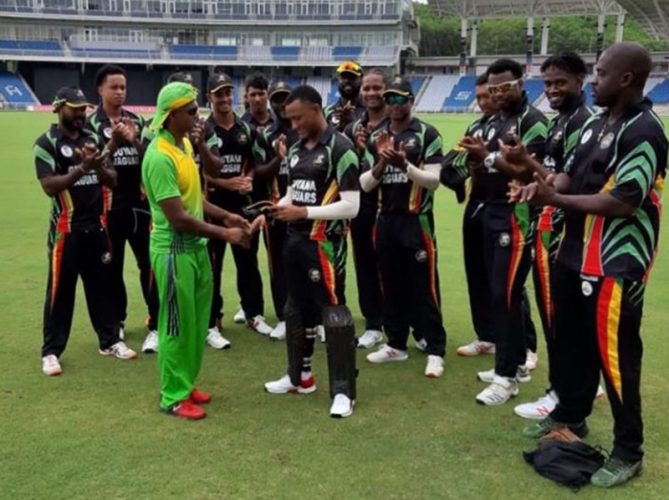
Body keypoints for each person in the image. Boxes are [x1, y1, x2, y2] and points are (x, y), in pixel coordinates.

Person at [514, 42, 667, 487]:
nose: (594, 80)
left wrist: (555, 197)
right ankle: (570, 415)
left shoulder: (645, 131)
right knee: (571, 345)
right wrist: (535, 176)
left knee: (616, 360)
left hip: (615, 264)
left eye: (600, 73)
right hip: (573, 255)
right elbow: (568, 175)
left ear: (627, 79)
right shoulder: (596, 125)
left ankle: (627, 451)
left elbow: (624, 201)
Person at [142, 81, 257, 420]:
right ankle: (172, 397)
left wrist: (227, 214)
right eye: (191, 111)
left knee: (194, 323)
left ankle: (185, 382)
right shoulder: (159, 156)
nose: (197, 116)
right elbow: (178, 218)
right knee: (176, 326)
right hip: (174, 252)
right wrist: (228, 233)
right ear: (171, 114)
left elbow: (195, 200)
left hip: (195, 249)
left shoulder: (184, 146)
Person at [502, 52, 596, 420]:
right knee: (559, 318)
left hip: (562, 234)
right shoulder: (562, 122)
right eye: (548, 83)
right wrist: (527, 166)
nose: (553, 89)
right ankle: (574, 386)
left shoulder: (582, 124)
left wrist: (533, 173)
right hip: (548, 228)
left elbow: (568, 184)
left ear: (580, 81)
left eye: (561, 82)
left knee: (559, 319)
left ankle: (562, 392)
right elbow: (552, 176)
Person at [264, 85, 361, 419]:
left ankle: (344, 392)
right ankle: (299, 377)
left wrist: (304, 214)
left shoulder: (341, 148)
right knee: (295, 310)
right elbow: (295, 192)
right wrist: (274, 209)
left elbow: (351, 207)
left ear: (317, 109)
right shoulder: (296, 148)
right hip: (293, 240)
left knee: (332, 314)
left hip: (323, 244)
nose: (294, 125)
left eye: (298, 118)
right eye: (289, 120)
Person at [458, 59, 548, 405]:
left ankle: (506, 377)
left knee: (506, 293)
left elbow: (533, 175)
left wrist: (489, 157)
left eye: (504, 87)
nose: (497, 94)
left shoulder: (533, 122)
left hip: (517, 215)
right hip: (491, 212)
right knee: (497, 292)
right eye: (492, 89)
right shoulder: (496, 120)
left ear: (521, 84)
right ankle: (511, 364)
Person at [36, 87, 136, 377]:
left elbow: (113, 178)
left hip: (97, 227)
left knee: (102, 289)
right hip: (66, 231)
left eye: (83, 109)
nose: (80, 114)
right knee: (60, 293)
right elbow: (49, 186)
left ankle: (110, 341)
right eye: (74, 108)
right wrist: (82, 169)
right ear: (58, 107)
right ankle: (51, 351)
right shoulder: (46, 143)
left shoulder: (91, 140)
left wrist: (97, 167)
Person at [442, 73, 540, 367]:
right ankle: (487, 335)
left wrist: (485, 158)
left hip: (510, 209)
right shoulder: (480, 125)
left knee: (509, 283)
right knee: (479, 275)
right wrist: (466, 171)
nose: (486, 101)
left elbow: (528, 167)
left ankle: (527, 345)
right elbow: (453, 162)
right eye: (482, 96)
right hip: (478, 207)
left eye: (490, 94)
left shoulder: (526, 121)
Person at [362, 76, 447, 378]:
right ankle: (396, 343)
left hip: (417, 221)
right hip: (385, 221)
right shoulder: (377, 136)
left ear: (412, 100)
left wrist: (405, 167)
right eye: (390, 99)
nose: (395, 105)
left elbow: (435, 181)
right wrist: (383, 165)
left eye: (401, 99)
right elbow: (365, 184)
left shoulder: (426, 133)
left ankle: (435, 349)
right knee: (391, 285)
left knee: (424, 287)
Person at [85, 64, 160, 353]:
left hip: (139, 207)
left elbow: (150, 160)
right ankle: (117, 321)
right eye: (114, 87)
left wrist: (134, 141)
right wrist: (114, 144)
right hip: (109, 209)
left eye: (123, 87)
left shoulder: (136, 121)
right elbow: (94, 166)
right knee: (111, 269)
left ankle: (155, 325)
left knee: (149, 266)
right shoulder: (92, 125)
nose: (119, 92)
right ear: (100, 90)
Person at [203, 73, 273, 346]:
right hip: (214, 208)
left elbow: (256, 162)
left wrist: (250, 179)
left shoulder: (246, 130)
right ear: (209, 97)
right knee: (213, 266)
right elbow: (199, 172)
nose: (224, 99)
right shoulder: (205, 130)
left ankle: (255, 314)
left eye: (227, 93)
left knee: (248, 263)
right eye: (218, 94)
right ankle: (211, 322)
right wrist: (226, 182)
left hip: (243, 207)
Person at [342, 68, 388, 349]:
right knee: (365, 265)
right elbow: (347, 169)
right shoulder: (352, 128)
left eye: (376, 88)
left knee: (394, 267)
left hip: (394, 206)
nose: (371, 93)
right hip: (362, 206)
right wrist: (359, 151)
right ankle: (373, 323)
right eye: (367, 89)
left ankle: (401, 322)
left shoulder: (397, 124)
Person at [252, 81, 299, 340]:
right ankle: (283, 316)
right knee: (278, 265)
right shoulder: (266, 133)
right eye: (278, 99)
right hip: (275, 208)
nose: (282, 104)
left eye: (286, 98)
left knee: (308, 261)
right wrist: (278, 159)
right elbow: (258, 172)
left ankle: (316, 315)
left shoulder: (304, 128)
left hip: (304, 208)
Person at [324, 61, 366, 132]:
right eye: (343, 77)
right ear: (338, 79)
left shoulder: (369, 111)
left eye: (352, 77)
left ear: (361, 79)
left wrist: (353, 123)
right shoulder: (327, 112)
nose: (347, 80)